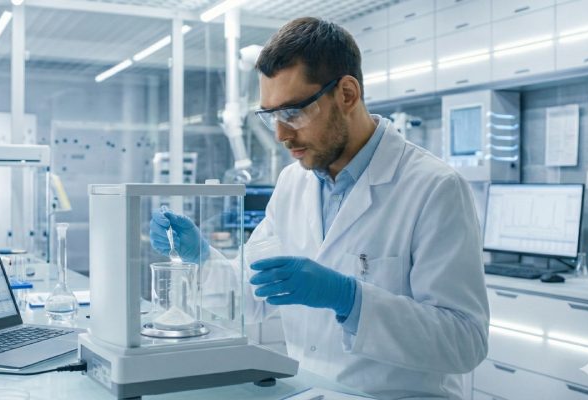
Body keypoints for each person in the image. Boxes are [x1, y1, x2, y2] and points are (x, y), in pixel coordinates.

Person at [151, 17, 489, 400]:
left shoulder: (434, 187)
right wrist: (202, 259)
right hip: (308, 391)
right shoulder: (292, 183)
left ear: (346, 94)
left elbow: (466, 342)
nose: (280, 134)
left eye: (293, 112)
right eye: (270, 115)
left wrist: (350, 299)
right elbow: (249, 297)